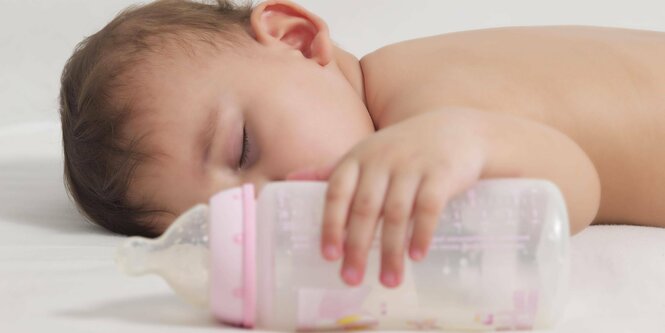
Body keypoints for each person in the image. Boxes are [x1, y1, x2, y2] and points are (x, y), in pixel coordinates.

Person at [59, 0, 665, 289]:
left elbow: (575, 190)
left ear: (296, 39)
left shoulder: (429, 106)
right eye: (239, 219)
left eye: (243, 148)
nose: (274, 198)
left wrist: (466, 137)